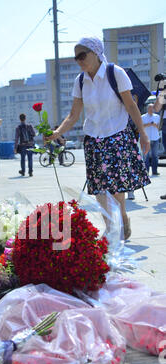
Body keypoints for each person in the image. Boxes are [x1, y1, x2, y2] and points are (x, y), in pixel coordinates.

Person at [48, 37, 150, 241]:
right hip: (94, 139)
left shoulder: (115, 73)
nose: (78, 60)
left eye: (82, 55)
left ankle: (118, 223)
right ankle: (113, 226)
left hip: (117, 135)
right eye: (75, 57)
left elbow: (131, 106)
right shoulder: (80, 81)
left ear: (95, 53)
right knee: (98, 186)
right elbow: (74, 115)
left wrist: (143, 134)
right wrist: (57, 132)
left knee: (115, 187)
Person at [141, 104, 160, 176]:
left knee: (155, 155)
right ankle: (146, 172)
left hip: (155, 138)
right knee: (146, 155)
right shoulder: (143, 117)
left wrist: (155, 125)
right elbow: (140, 127)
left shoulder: (157, 117)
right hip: (146, 139)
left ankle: (155, 171)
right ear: (147, 109)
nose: (151, 109)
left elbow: (159, 127)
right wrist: (148, 124)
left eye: (153, 108)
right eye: (150, 108)